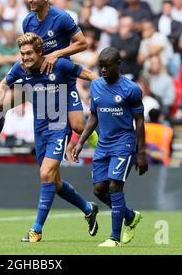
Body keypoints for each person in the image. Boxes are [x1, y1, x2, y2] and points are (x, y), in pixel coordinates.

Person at [0, 0, 98, 163]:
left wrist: (56, 54)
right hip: (33, 78)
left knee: (79, 126)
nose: (30, 0)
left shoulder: (61, 18)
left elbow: (83, 43)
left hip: (60, 77)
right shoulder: (28, 21)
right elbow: (28, 47)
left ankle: (98, 142)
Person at [0, 32, 99, 242]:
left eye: (29, 53)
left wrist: (109, 90)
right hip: (39, 129)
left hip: (59, 127)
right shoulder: (20, 68)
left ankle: (36, 230)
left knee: (46, 174)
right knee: (54, 183)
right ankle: (88, 208)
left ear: (40, 52)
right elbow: (2, 86)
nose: (25, 57)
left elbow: (90, 76)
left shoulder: (60, 65)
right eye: (22, 53)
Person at [72, 47, 148, 247]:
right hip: (103, 144)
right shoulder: (96, 86)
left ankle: (114, 237)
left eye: (107, 66)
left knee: (115, 185)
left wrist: (141, 152)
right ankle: (130, 216)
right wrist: (80, 142)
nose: (103, 70)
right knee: (99, 190)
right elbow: (94, 116)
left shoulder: (131, 89)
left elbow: (139, 121)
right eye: (101, 66)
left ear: (118, 65)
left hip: (124, 143)